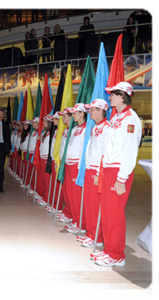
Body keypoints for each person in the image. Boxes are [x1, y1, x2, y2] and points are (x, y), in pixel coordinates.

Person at [92, 82, 141, 267]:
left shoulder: (130, 119)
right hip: (109, 169)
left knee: (114, 214)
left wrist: (122, 178)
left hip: (119, 172)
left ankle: (117, 255)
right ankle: (109, 250)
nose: (109, 97)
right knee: (106, 212)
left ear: (122, 96)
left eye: (112, 94)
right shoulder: (117, 117)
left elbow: (130, 151)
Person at [79, 99, 110, 248]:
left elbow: (104, 152)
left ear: (100, 110)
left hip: (97, 172)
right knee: (89, 203)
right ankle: (91, 233)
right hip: (90, 169)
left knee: (96, 205)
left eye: (92, 109)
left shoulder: (107, 128)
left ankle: (97, 237)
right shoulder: (95, 127)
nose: (89, 112)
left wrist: (98, 172)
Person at [62, 104, 87, 235]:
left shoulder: (86, 129)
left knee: (77, 196)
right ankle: (75, 220)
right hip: (69, 164)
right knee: (70, 195)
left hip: (77, 165)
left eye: (75, 113)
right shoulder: (74, 129)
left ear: (82, 113)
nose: (73, 116)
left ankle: (81, 224)